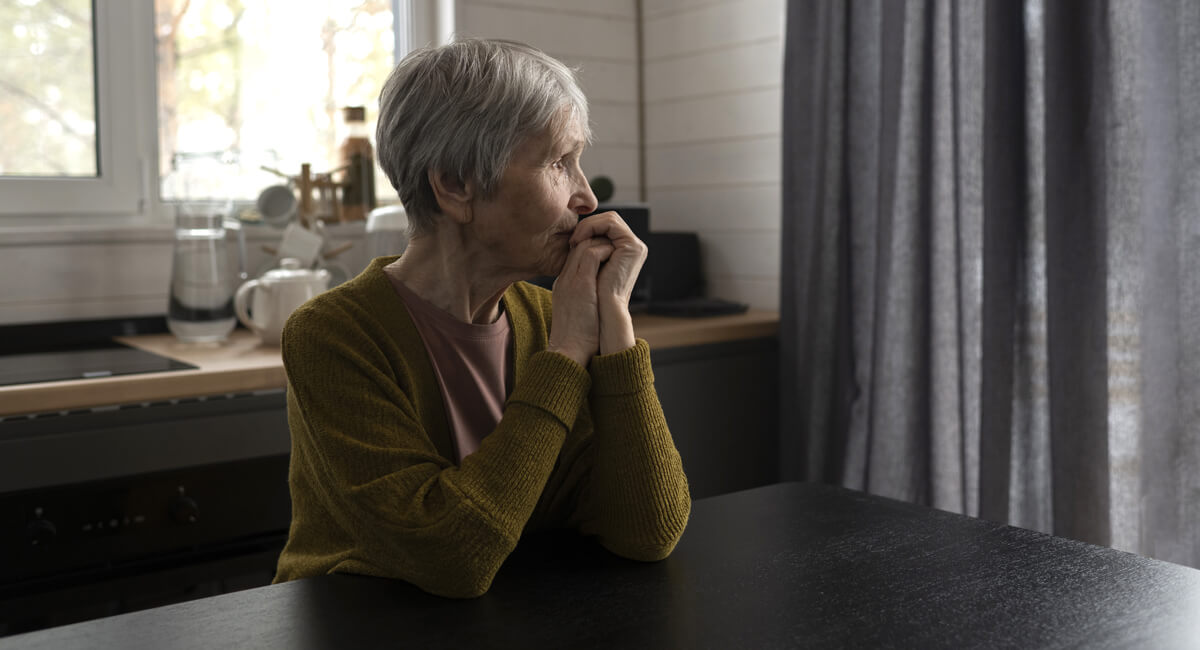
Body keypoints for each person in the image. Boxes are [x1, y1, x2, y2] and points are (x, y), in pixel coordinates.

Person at [273, 38, 691, 598]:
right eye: (559, 163)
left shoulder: (550, 317)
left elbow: (648, 533)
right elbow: (451, 558)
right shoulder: (332, 336)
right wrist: (566, 356)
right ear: (455, 186)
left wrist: (613, 319)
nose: (587, 197)